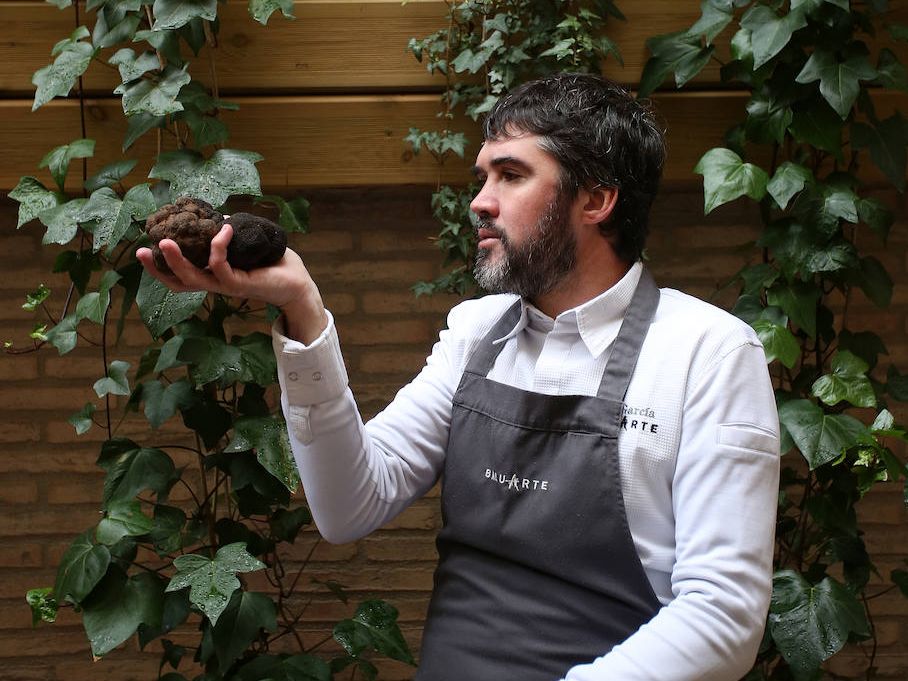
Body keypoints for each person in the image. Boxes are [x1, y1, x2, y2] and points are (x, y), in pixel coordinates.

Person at [137, 73, 781, 681]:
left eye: (511, 175)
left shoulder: (709, 352)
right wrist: (300, 305)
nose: (479, 201)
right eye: (482, 177)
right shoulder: (478, 332)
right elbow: (348, 505)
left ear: (596, 199)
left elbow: (723, 613)